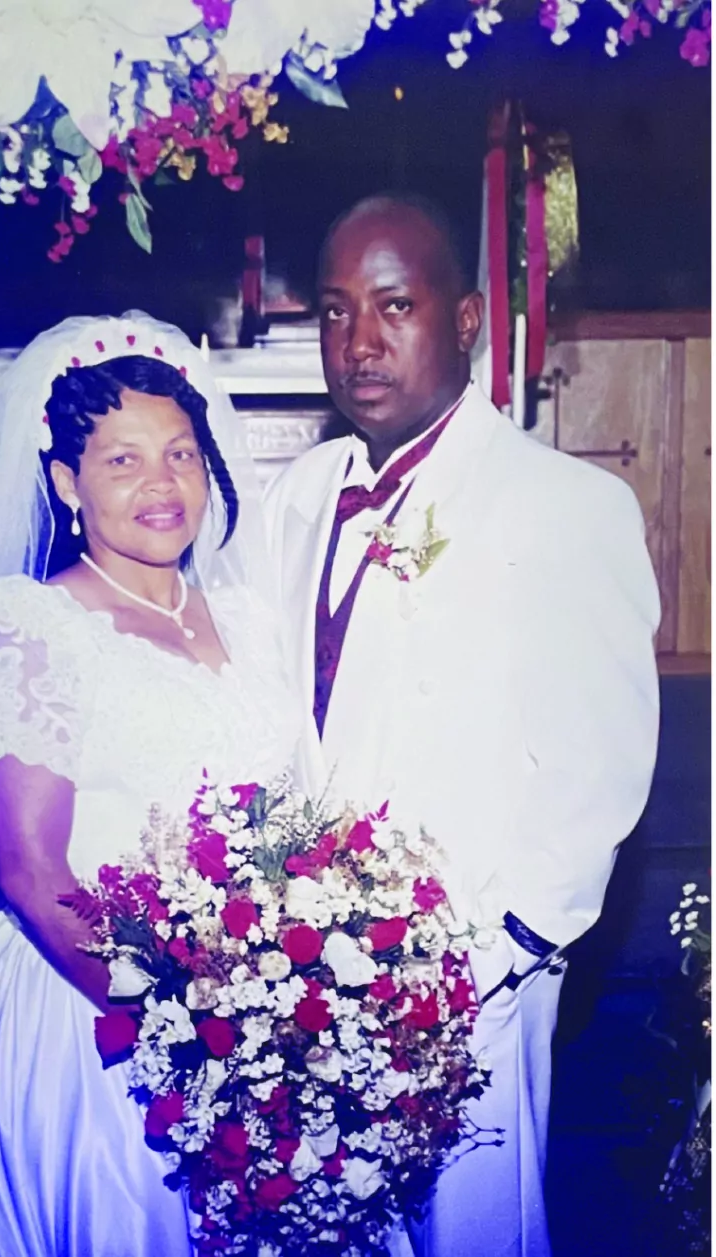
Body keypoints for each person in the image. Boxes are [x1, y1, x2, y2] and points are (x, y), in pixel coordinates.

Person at [265, 194, 661, 1257]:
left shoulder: (562, 504)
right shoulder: (296, 497)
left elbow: (598, 768)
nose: (359, 341)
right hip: (301, 975)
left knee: (472, 1231)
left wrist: (488, 957)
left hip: (468, 981)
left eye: (394, 305)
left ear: (469, 319)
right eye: (336, 311)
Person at [0, 313, 299, 1257]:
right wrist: (179, 1019)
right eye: (123, 461)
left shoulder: (248, 620)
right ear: (67, 482)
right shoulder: (34, 624)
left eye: (180, 454)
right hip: (97, 1015)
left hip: (256, 1002)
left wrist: (273, 1003)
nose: (163, 483)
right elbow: (29, 868)